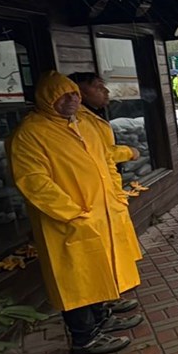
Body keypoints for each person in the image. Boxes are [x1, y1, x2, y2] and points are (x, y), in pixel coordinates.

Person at [6, 72, 143, 354]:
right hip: (67, 221)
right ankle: (84, 338)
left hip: (99, 214)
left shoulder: (83, 126)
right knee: (76, 280)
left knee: (97, 272)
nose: (72, 99)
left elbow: (105, 162)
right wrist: (71, 213)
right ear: (47, 98)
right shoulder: (32, 133)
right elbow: (34, 181)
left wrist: (115, 197)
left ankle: (102, 320)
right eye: (63, 94)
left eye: (75, 94)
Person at [68, 72, 144, 315]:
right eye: (99, 87)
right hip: (89, 202)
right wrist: (128, 152)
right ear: (81, 92)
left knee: (110, 251)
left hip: (105, 195)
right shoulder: (79, 121)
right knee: (98, 255)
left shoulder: (90, 117)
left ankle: (108, 297)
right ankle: (101, 307)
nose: (106, 92)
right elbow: (99, 155)